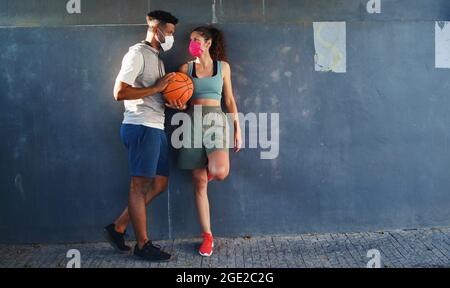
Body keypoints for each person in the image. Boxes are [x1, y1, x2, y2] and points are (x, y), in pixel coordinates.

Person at [104, 10, 184, 262]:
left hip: (156, 126)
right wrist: (157, 88)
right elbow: (119, 92)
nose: (171, 37)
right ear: (156, 29)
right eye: (169, 32)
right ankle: (142, 244)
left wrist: (170, 100)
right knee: (138, 187)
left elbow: (151, 94)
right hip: (141, 127)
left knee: (160, 183)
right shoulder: (137, 53)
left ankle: (118, 227)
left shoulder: (156, 57)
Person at [178, 26, 242, 257]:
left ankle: (205, 174)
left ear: (207, 43)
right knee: (199, 183)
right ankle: (207, 236)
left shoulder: (222, 67)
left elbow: (230, 100)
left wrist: (237, 128)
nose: (192, 43)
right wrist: (174, 101)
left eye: (196, 40)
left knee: (220, 171)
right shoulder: (186, 68)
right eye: (190, 40)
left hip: (216, 120)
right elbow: (180, 98)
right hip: (192, 122)